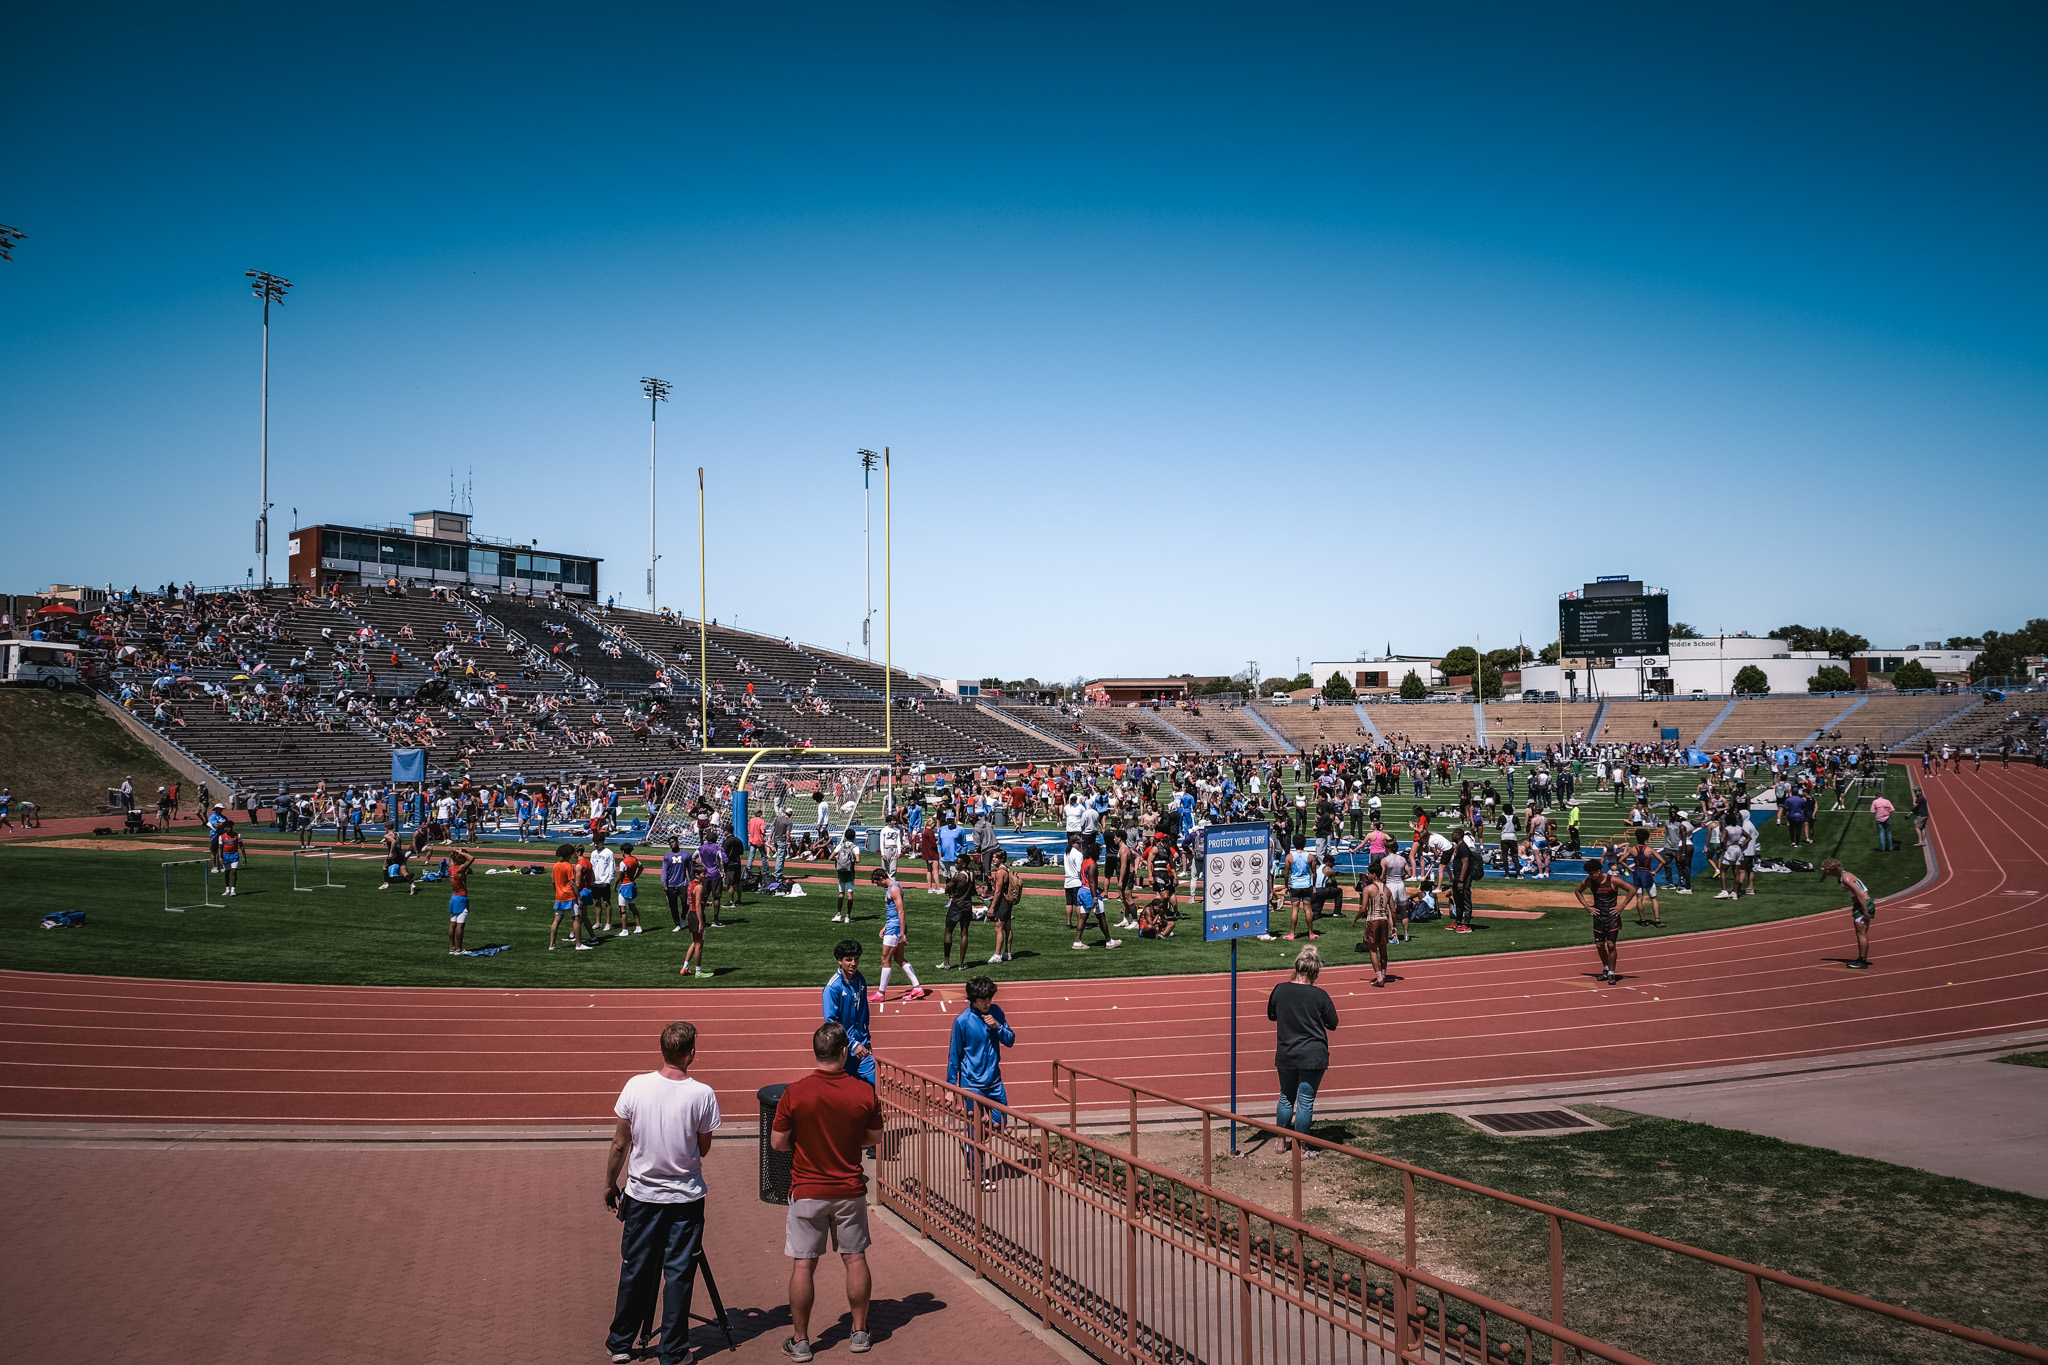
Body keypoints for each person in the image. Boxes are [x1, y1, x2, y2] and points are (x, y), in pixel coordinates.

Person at [603, 1019, 721, 1365]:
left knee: (635, 1268)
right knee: (679, 1275)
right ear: (692, 1054)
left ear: (663, 1050)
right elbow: (704, 1147)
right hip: (685, 1198)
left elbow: (619, 1143)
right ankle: (672, 1350)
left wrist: (610, 1184)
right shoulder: (702, 1094)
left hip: (641, 1197)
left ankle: (621, 1342)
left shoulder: (636, 1086)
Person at [770, 1022, 884, 1362]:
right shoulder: (864, 1092)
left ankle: (801, 1340)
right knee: (855, 1258)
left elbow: (778, 1143)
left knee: (803, 1266)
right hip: (849, 1189)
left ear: (816, 1053)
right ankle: (860, 1331)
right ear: (844, 1052)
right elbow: (875, 1137)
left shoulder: (796, 1092)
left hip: (807, 1189)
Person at [947, 975, 1016, 1191]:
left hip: (994, 1081)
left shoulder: (996, 1013)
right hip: (971, 1084)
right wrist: (951, 1087)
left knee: (1000, 1123)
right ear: (973, 999)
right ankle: (979, 1174)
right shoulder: (962, 1021)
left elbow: (1011, 1040)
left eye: (990, 998)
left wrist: (997, 1027)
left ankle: (971, 1146)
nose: (988, 1002)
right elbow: (954, 1055)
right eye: (984, 999)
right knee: (974, 1130)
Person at [1266, 945, 1337, 1152]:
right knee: (1305, 1102)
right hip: (1313, 1055)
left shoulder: (1280, 989)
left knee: (1286, 1097)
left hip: (1287, 1052)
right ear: (1315, 972)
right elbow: (1333, 1023)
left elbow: (1272, 1015)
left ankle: (1281, 1142)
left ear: (1297, 968)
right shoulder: (1320, 995)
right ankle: (1302, 1147)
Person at [1574, 857, 1634, 985]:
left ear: (1599, 871)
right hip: (1598, 917)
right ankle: (1606, 968)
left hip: (1612, 916)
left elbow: (1631, 890)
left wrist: (1622, 906)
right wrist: (1587, 907)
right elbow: (1578, 891)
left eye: (1592, 874)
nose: (1591, 876)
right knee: (1600, 945)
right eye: (1589, 874)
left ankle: (1612, 972)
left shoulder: (1613, 880)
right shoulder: (1589, 882)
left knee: (1611, 945)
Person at [870, 869, 927, 1006]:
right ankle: (917, 988)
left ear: (882, 878)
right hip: (893, 926)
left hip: (895, 929)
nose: (877, 885)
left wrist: (902, 934)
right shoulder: (894, 887)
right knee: (899, 958)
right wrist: (885, 926)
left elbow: (901, 911)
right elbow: (894, 912)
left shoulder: (894, 888)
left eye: (877, 882)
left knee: (885, 959)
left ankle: (880, 993)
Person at [823, 940, 875, 1084]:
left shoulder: (860, 980)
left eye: (856, 959)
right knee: (843, 1096)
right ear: (839, 961)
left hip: (862, 1047)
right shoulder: (832, 988)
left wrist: (867, 1039)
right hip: (843, 1051)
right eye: (848, 960)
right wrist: (852, 1044)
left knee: (871, 1091)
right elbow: (831, 1023)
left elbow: (864, 1012)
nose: (853, 963)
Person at [1822, 858, 1876, 969]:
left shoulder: (1845, 878)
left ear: (1832, 869)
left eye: (1826, 869)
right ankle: (1861, 959)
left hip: (1863, 905)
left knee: (1862, 933)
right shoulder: (1843, 876)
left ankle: (1862, 961)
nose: (1824, 871)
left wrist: (1865, 912)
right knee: (1860, 933)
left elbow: (1860, 895)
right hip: (1860, 905)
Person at [1354, 866, 1393, 986]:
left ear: (1374, 875)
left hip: (1373, 921)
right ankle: (1384, 974)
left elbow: (1363, 908)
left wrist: (1355, 919)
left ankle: (1379, 977)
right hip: (1384, 920)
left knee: (1373, 950)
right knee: (1383, 950)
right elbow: (1393, 910)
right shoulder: (1387, 889)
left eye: (1369, 874)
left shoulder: (1368, 889)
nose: (1367, 875)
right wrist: (1394, 926)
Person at [551, 843, 593, 950]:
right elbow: (572, 883)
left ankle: (552, 944)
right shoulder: (569, 867)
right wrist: (578, 897)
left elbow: (553, 881)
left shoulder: (556, 865)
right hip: (569, 896)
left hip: (559, 896)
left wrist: (557, 891)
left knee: (557, 920)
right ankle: (578, 944)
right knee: (576, 918)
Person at [937, 867, 978, 969]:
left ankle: (946, 962)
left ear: (963, 863)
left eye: (958, 863)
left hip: (956, 906)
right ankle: (961, 963)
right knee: (964, 933)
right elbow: (973, 891)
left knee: (948, 931)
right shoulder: (972, 874)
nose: (956, 865)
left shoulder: (958, 876)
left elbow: (947, 888)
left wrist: (951, 894)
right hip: (967, 905)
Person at [985, 849, 1019, 963]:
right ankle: (1007, 953)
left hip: (1002, 901)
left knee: (998, 927)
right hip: (1008, 901)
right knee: (1007, 927)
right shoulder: (1006, 869)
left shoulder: (1000, 872)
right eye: (993, 857)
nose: (993, 859)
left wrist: (992, 907)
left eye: (996, 857)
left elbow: (998, 892)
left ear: (1002, 859)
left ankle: (997, 955)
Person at [446, 846, 475, 953]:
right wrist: (460, 852)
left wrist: (454, 852)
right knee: (460, 925)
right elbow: (471, 858)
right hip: (461, 898)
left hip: (454, 898)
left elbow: (451, 859)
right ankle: (459, 948)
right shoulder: (460, 869)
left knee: (452, 923)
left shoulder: (451, 868)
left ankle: (452, 947)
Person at [831, 830, 860, 924]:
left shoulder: (840, 846)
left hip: (841, 872)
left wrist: (838, 859)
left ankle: (839, 914)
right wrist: (852, 860)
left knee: (841, 893)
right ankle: (848, 916)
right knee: (850, 893)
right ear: (854, 837)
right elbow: (858, 860)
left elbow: (831, 857)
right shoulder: (855, 847)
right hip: (850, 872)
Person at [617, 843, 644, 933]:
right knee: (633, 907)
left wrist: (616, 883)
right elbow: (641, 868)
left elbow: (620, 875)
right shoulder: (635, 860)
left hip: (625, 886)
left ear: (623, 851)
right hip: (632, 885)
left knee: (623, 909)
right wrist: (635, 877)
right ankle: (638, 927)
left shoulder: (623, 862)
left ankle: (624, 930)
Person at [217, 818, 243, 896]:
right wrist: (220, 858)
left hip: (234, 855)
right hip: (225, 855)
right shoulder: (221, 837)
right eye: (228, 827)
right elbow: (220, 848)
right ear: (224, 828)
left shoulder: (237, 835)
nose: (230, 829)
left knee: (234, 871)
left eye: (231, 827)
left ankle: (233, 890)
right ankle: (227, 889)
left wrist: (244, 857)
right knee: (226, 872)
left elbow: (241, 846)